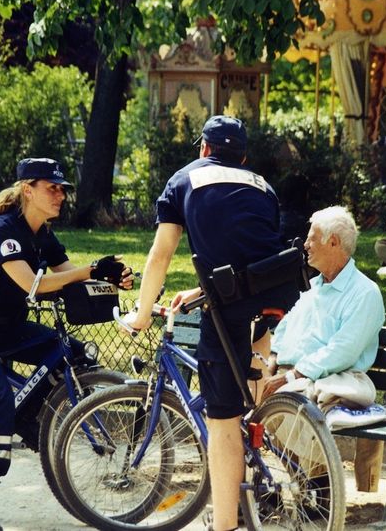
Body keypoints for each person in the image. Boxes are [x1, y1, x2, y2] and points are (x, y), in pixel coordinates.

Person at [122, 115, 300, 531]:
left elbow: (162, 253)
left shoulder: (183, 180)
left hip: (230, 310)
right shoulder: (262, 185)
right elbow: (251, 258)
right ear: (243, 156)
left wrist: (143, 312)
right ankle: (260, 476)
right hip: (278, 301)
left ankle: (226, 523)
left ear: (203, 149)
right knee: (251, 393)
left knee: (221, 422)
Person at [0, 157, 134, 531]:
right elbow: (33, 284)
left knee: (73, 354)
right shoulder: (1, 230)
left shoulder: (42, 233)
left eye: (63, 188)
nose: (60, 195)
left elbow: (68, 277)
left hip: (9, 327)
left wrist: (112, 278)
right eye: (52, 188)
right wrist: (90, 268)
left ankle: (28, 419)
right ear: (27, 190)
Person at [261, 205, 384, 400]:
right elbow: (284, 328)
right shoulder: (312, 286)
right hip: (288, 379)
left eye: (312, 238)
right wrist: (273, 359)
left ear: (333, 242)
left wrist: (291, 376)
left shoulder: (365, 293)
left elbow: (343, 351)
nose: (305, 245)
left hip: (321, 383)